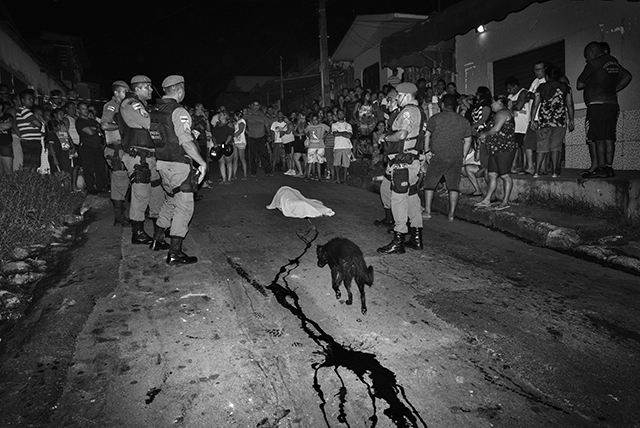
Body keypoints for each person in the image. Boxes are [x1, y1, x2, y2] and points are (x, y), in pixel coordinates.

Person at [149, 75, 207, 265]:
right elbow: (185, 141)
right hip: (178, 165)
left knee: (171, 200)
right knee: (184, 207)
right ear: (180, 90)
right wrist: (202, 163)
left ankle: (157, 240)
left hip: (162, 164)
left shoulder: (155, 110)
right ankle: (175, 253)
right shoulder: (178, 111)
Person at [377, 82, 424, 254]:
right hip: (412, 161)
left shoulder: (407, 111)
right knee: (412, 198)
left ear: (405, 95)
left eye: (398, 95)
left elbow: (402, 134)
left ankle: (399, 239)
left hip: (402, 163)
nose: (396, 98)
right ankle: (417, 237)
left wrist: (385, 137)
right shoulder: (419, 111)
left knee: (398, 200)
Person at [119, 75, 164, 246]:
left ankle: (159, 228)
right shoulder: (131, 103)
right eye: (148, 87)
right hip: (139, 157)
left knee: (156, 192)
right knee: (141, 193)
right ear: (137, 88)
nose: (151, 90)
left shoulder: (141, 104)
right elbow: (149, 123)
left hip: (149, 156)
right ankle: (137, 232)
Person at [577, 41, 632, 178]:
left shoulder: (594, 63)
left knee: (598, 137)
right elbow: (627, 76)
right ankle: (608, 167)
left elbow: (580, 83)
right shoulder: (613, 61)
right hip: (611, 104)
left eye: (586, 56)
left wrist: (593, 81)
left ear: (592, 51)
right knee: (609, 137)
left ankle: (601, 168)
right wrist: (613, 89)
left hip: (597, 105)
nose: (587, 59)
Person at [423, 94, 473, 222]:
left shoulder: (435, 118)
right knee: (453, 186)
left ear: (442, 105)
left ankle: (428, 211)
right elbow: (468, 140)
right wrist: (463, 155)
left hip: (438, 155)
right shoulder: (463, 121)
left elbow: (427, 135)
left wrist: (427, 151)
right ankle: (451, 214)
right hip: (456, 156)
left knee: (430, 184)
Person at [531, 65, 575, 178]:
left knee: (541, 146)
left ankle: (536, 172)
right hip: (559, 121)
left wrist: (532, 120)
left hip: (544, 121)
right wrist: (571, 120)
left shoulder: (541, 87)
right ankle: (555, 172)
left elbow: (535, 105)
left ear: (547, 76)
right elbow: (570, 104)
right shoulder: (566, 87)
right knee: (556, 147)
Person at [475, 95, 517, 210]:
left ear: (499, 102)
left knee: (505, 175)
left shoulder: (503, 113)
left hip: (504, 149)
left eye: (492, 103)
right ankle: (487, 200)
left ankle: (505, 201)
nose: (491, 105)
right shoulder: (499, 114)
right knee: (492, 174)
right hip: (496, 149)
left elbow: (496, 129)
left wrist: (484, 134)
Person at [101, 80, 131, 226]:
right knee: (119, 182)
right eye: (125, 91)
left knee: (123, 182)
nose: (127, 93)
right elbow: (105, 125)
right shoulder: (111, 106)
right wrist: (123, 126)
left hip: (121, 149)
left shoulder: (122, 106)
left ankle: (121, 213)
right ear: (116, 93)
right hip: (115, 150)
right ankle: (119, 217)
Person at [76, 102, 107, 193]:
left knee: (100, 167)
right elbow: (90, 132)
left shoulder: (92, 121)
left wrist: (95, 129)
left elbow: (100, 129)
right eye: (83, 109)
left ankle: (101, 186)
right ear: (78, 110)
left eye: (86, 108)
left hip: (97, 147)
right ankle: (90, 188)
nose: (85, 111)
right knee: (88, 168)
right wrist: (95, 129)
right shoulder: (80, 121)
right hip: (87, 147)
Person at [505, 77, 532, 175]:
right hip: (514, 125)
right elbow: (507, 106)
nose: (508, 91)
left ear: (515, 86)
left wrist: (512, 104)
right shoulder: (511, 96)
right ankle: (515, 166)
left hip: (523, 124)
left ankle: (525, 166)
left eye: (510, 88)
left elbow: (518, 106)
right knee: (515, 146)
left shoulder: (523, 92)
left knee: (524, 146)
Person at [16, 90, 43, 173]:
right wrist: (36, 123)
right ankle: (26, 184)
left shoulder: (26, 111)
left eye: (32, 99)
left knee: (34, 166)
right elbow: (38, 124)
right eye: (29, 99)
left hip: (33, 141)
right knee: (29, 166)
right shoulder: (24, 110)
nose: (32, 100)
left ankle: (32, 184)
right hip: (29, 141)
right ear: (23, 100)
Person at [245, 100, 272, 177]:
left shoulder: (263, 116)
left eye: (257, 105)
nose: (256, 107)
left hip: (261, 137)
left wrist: (269, 135)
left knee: (264, 154)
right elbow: (242, 124)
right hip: (252, 138)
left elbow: (267, 126)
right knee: (252, 155)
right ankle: (253, 171)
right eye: (254, 105)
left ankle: (268, 171)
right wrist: (247, 132)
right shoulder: (247, 115)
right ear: (251, 106)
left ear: (259, 106)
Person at [304, 113, 330, 181]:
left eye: (316, 120)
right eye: (313, 120)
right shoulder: (309, 126)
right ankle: (308, 176)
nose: (315, 121)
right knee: (310, 161)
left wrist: (324, 136)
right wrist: (308, 136)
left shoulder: (322, 126)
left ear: (318, 120)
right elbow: (305, 131)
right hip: (312, 146)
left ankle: (319, 177)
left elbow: (329, 130)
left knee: (319, 161)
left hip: (320, 146)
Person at [331, 109, 353, 184]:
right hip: (337, 146)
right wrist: (344, 133)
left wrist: (339, 133)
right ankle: (338, 178)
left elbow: (349, 135)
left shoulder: (348, 125)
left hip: (346, 146)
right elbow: (335, 134)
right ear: (337, 116)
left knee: (346, 164)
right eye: (339, 114)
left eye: (342, 114)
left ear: (344, 115)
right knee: (336, 163)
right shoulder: (334, 125)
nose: (340, 115)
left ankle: (344, 179)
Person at [212, 110, 234, 185]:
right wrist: (215, 143)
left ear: (225, 116)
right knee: (221, 162)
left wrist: (226, 143)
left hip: (226, 145)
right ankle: (224, 179)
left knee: (228, 162)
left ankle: (229, 178)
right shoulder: (217, 125)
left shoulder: (229, 124)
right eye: (219, 115)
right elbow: (214, 135)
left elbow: (231, 134)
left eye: (221, 115)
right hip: (218, 145)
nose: (219, 116)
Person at [232, 110, 248, 180]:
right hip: (236, 141)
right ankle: (234, 175)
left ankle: (245, 175)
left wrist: (233, 136)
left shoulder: (241, 121)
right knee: (235, 159)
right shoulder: (237, 122)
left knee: (242, 158)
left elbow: (240, 130)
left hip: (241, 141)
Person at [0, 101, 14, 174]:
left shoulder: (7, 116)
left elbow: (9, 125)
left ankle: (11, 185)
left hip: (5, 144)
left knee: (8, 169)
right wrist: (3, 125)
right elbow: (5, 125)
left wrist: (5, 125)